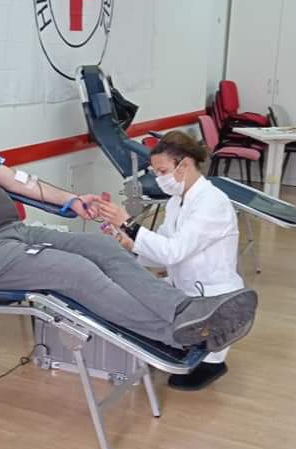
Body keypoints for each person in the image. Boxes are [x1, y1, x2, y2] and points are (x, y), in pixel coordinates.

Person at [0, 69, 257, 353]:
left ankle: (186, 310)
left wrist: (70, 200)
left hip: (15, 233)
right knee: (75, 271)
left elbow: (12, 178)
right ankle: (175, 335)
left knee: (103, 248)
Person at [94, 130, 244, 390]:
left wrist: (128, 224)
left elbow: (173, 252)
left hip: (212, 295)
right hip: (185, 290)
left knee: (189, 363)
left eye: (162, 171)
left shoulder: (212, 203)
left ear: (184, 165)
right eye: (156, 172)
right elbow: (161, 246)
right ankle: (185, 344)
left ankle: (213, 361)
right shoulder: (177, 201)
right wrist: (128, 242)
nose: (159, 179)